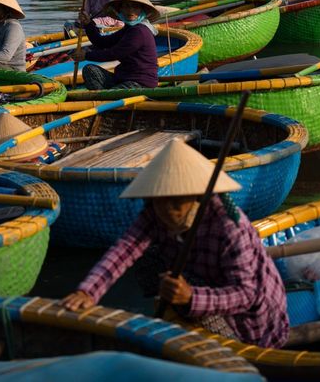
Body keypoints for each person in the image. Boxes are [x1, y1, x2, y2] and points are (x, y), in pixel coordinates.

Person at [62, 134, 289, 349]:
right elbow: (125, 249)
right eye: (160, 202)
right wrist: (88, 291)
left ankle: (186, 311)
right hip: (200, 281)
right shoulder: (154, 211)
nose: (167, 211)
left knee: (191, 302)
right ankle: (177, 304)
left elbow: (246, 295)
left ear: (196, 197)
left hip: (252, 319)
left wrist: (192, 297)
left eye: (176, 203)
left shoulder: (229, 228)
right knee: (148, 258)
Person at [73, 0, 159, 90]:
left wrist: (86, 55)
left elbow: (114, 53)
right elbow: (102, 42)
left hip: (139, 82)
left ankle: (103, 99)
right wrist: (88, 24)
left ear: (141, 10)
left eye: (135, 7)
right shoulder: (128, 29)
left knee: (115, 92)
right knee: (90, 70)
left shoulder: (140, 31)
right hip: (124, 78)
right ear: (120, 10)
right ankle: (104, 98)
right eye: (126, 7)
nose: (130, 11)